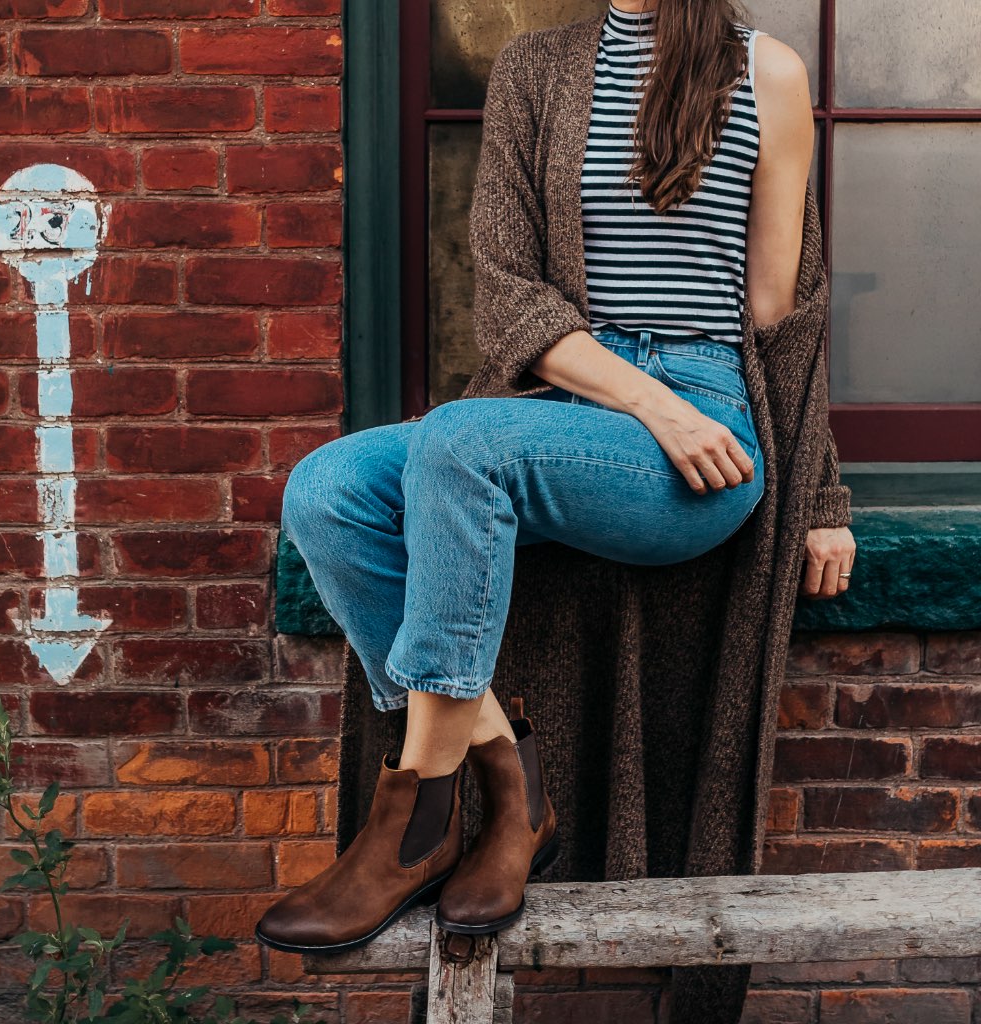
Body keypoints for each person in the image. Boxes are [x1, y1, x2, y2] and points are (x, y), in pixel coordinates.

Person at [255, 0, 856, 956]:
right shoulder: (536, 69)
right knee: (327, 490)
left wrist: (820, 495)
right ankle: (507, 782)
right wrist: (647, 402)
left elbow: (787, 315)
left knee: (460, 442)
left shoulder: (768, 72)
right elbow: (505, 294)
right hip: (572, 400)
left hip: (710, 430)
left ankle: (412, 829)